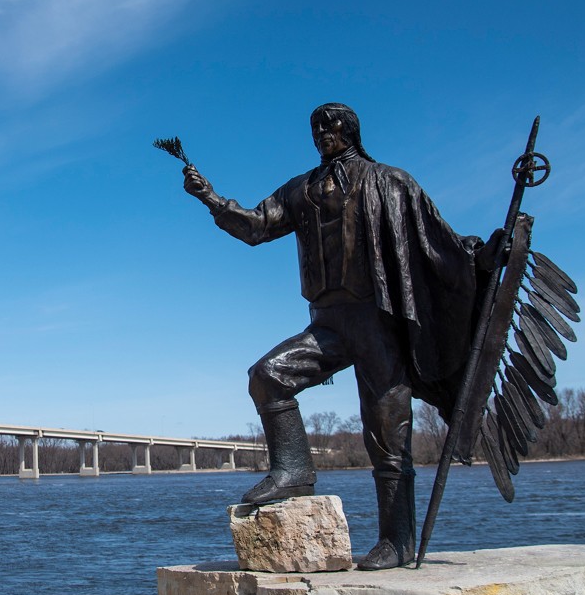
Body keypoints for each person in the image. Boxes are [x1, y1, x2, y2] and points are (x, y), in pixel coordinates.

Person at [182, 103, 495, 570]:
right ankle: (293, 469)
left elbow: (437, 242)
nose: (322, 134)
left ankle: (396, 542)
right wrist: (209, 197)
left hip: (377, 320)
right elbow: (254, 226)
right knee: (267, 376)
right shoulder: (301, 189)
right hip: (327, 321)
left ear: (351, 130)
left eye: (331, 126)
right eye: (315, 128)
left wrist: (485, 255)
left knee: (387, 434)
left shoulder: (389, 180)